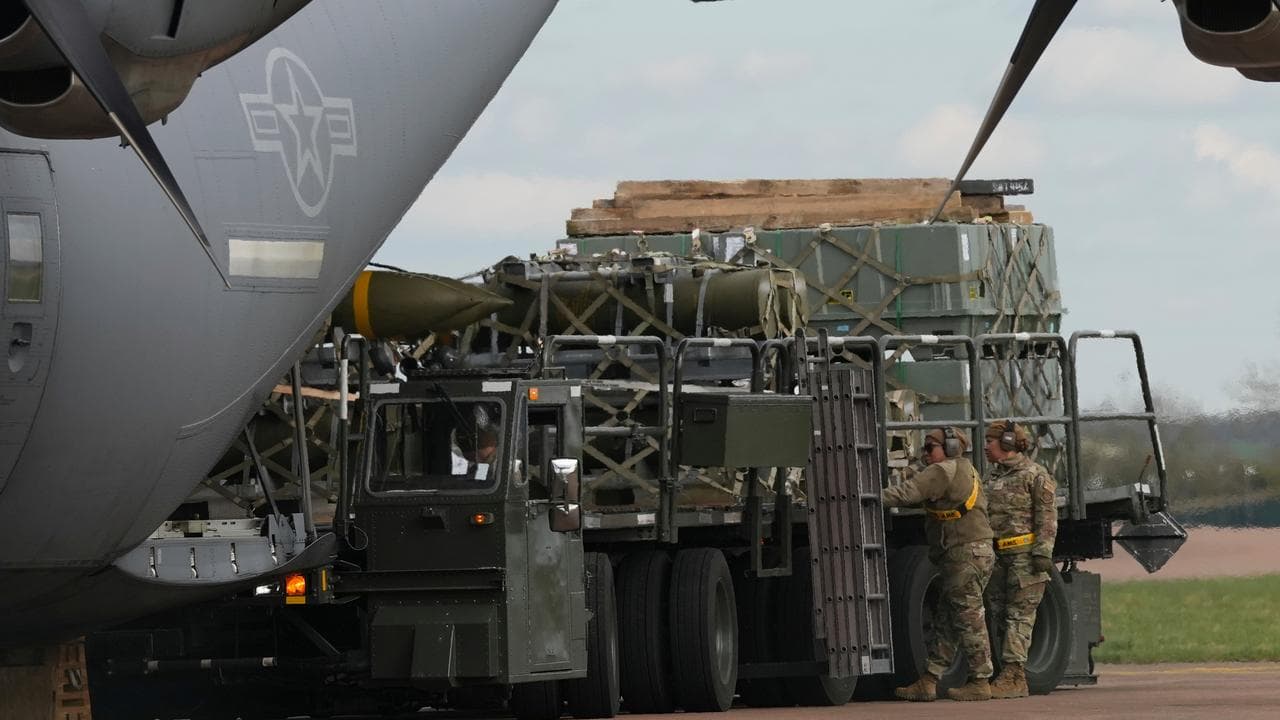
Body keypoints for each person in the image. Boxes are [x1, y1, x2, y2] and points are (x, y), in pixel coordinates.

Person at [882, 427, 995, 702]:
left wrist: (866, 497)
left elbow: (907, 494)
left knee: (969, 618)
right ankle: (930, 680)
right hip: (974, 552)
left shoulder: (942, 471)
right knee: (947, 620)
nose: (925, 454)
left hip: (963, 554)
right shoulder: (966, 468)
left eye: (930, 448)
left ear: (951, 448)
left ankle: (980, 681)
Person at [982, 420, 1058, 699]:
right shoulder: (991, 478)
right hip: (998, 558)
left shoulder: (1035, 475)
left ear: (1007, 443)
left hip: (1025, 558)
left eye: (990, 441)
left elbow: (1047, 518)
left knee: (1019, 616)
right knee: (1000, 614)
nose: (985, 447)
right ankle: (1005, 674)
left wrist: (1042, 553)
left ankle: (1015, 675)